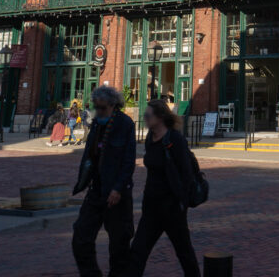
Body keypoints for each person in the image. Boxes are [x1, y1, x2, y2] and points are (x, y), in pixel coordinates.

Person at [129, 99, 200, 277]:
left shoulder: (175, 139)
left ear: (160, 117)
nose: (144, 118)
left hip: (172, 208)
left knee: (184, 253)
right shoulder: (149, 138)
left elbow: (186, 173)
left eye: (147, 115)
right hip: (152, 208)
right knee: (137, 251)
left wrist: (180, 202)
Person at [72, 86, 137, 277]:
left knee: (119, 245)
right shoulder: (97, 124)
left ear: (113, 105)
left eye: (102, 108)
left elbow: (128, 161)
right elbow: (89, 156)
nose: (98, 112)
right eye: (96, 107)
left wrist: (118, 188)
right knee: (81, 237)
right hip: (96, 190)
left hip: (117, 194)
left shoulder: (125, 124)